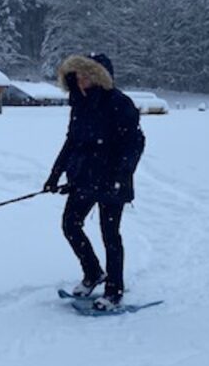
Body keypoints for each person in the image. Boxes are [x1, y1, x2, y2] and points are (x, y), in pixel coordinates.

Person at [43, 52, 144, 311]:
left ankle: (114, 291)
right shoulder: (79, 103)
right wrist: (55, 175)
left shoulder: (119, 103)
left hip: (112, 182)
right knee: (70, 225)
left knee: (110, 235)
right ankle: (93, 273)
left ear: (100, 77)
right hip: (84, 181)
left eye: (87, 75)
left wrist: (121, 176)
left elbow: (135, 144)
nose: (81, 80)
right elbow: (72, 142)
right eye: (77, 75)